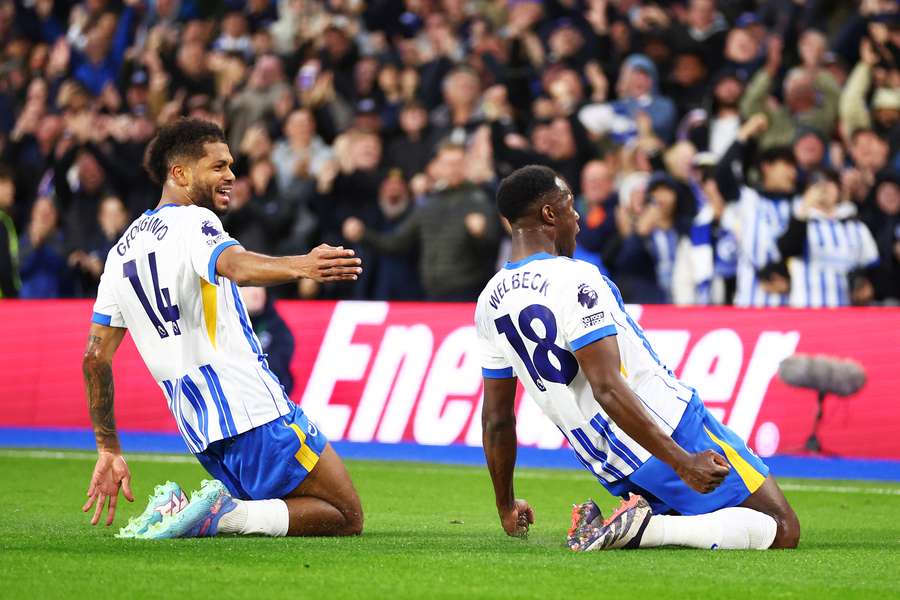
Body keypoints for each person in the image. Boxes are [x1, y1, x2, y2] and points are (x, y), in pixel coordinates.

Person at [475, 164, 800, 551]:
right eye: (570, 205)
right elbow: (607, 387)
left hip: (607, 458)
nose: (576, 216)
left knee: (708, 527)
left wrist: (506, 504)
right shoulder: (576, 279)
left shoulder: (488, 303)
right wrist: (682, 460)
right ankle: (643, 528)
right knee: (780, 528)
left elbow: (497, 419)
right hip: (668, 428)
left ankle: (636, 521)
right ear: (549, 214)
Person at [81, 118, 364, 539]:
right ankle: (222, 514)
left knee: (277, 511)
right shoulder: (194, 222)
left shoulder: (120, 253)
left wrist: (108, 447)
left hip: (199, 431)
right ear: (179, 173)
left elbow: (94, 359)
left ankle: (189, 507)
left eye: (230, 164)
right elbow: (235, 264)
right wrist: (303, 265)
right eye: (217, 166)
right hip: (251, 408)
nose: (230, 174)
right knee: (344, 515)